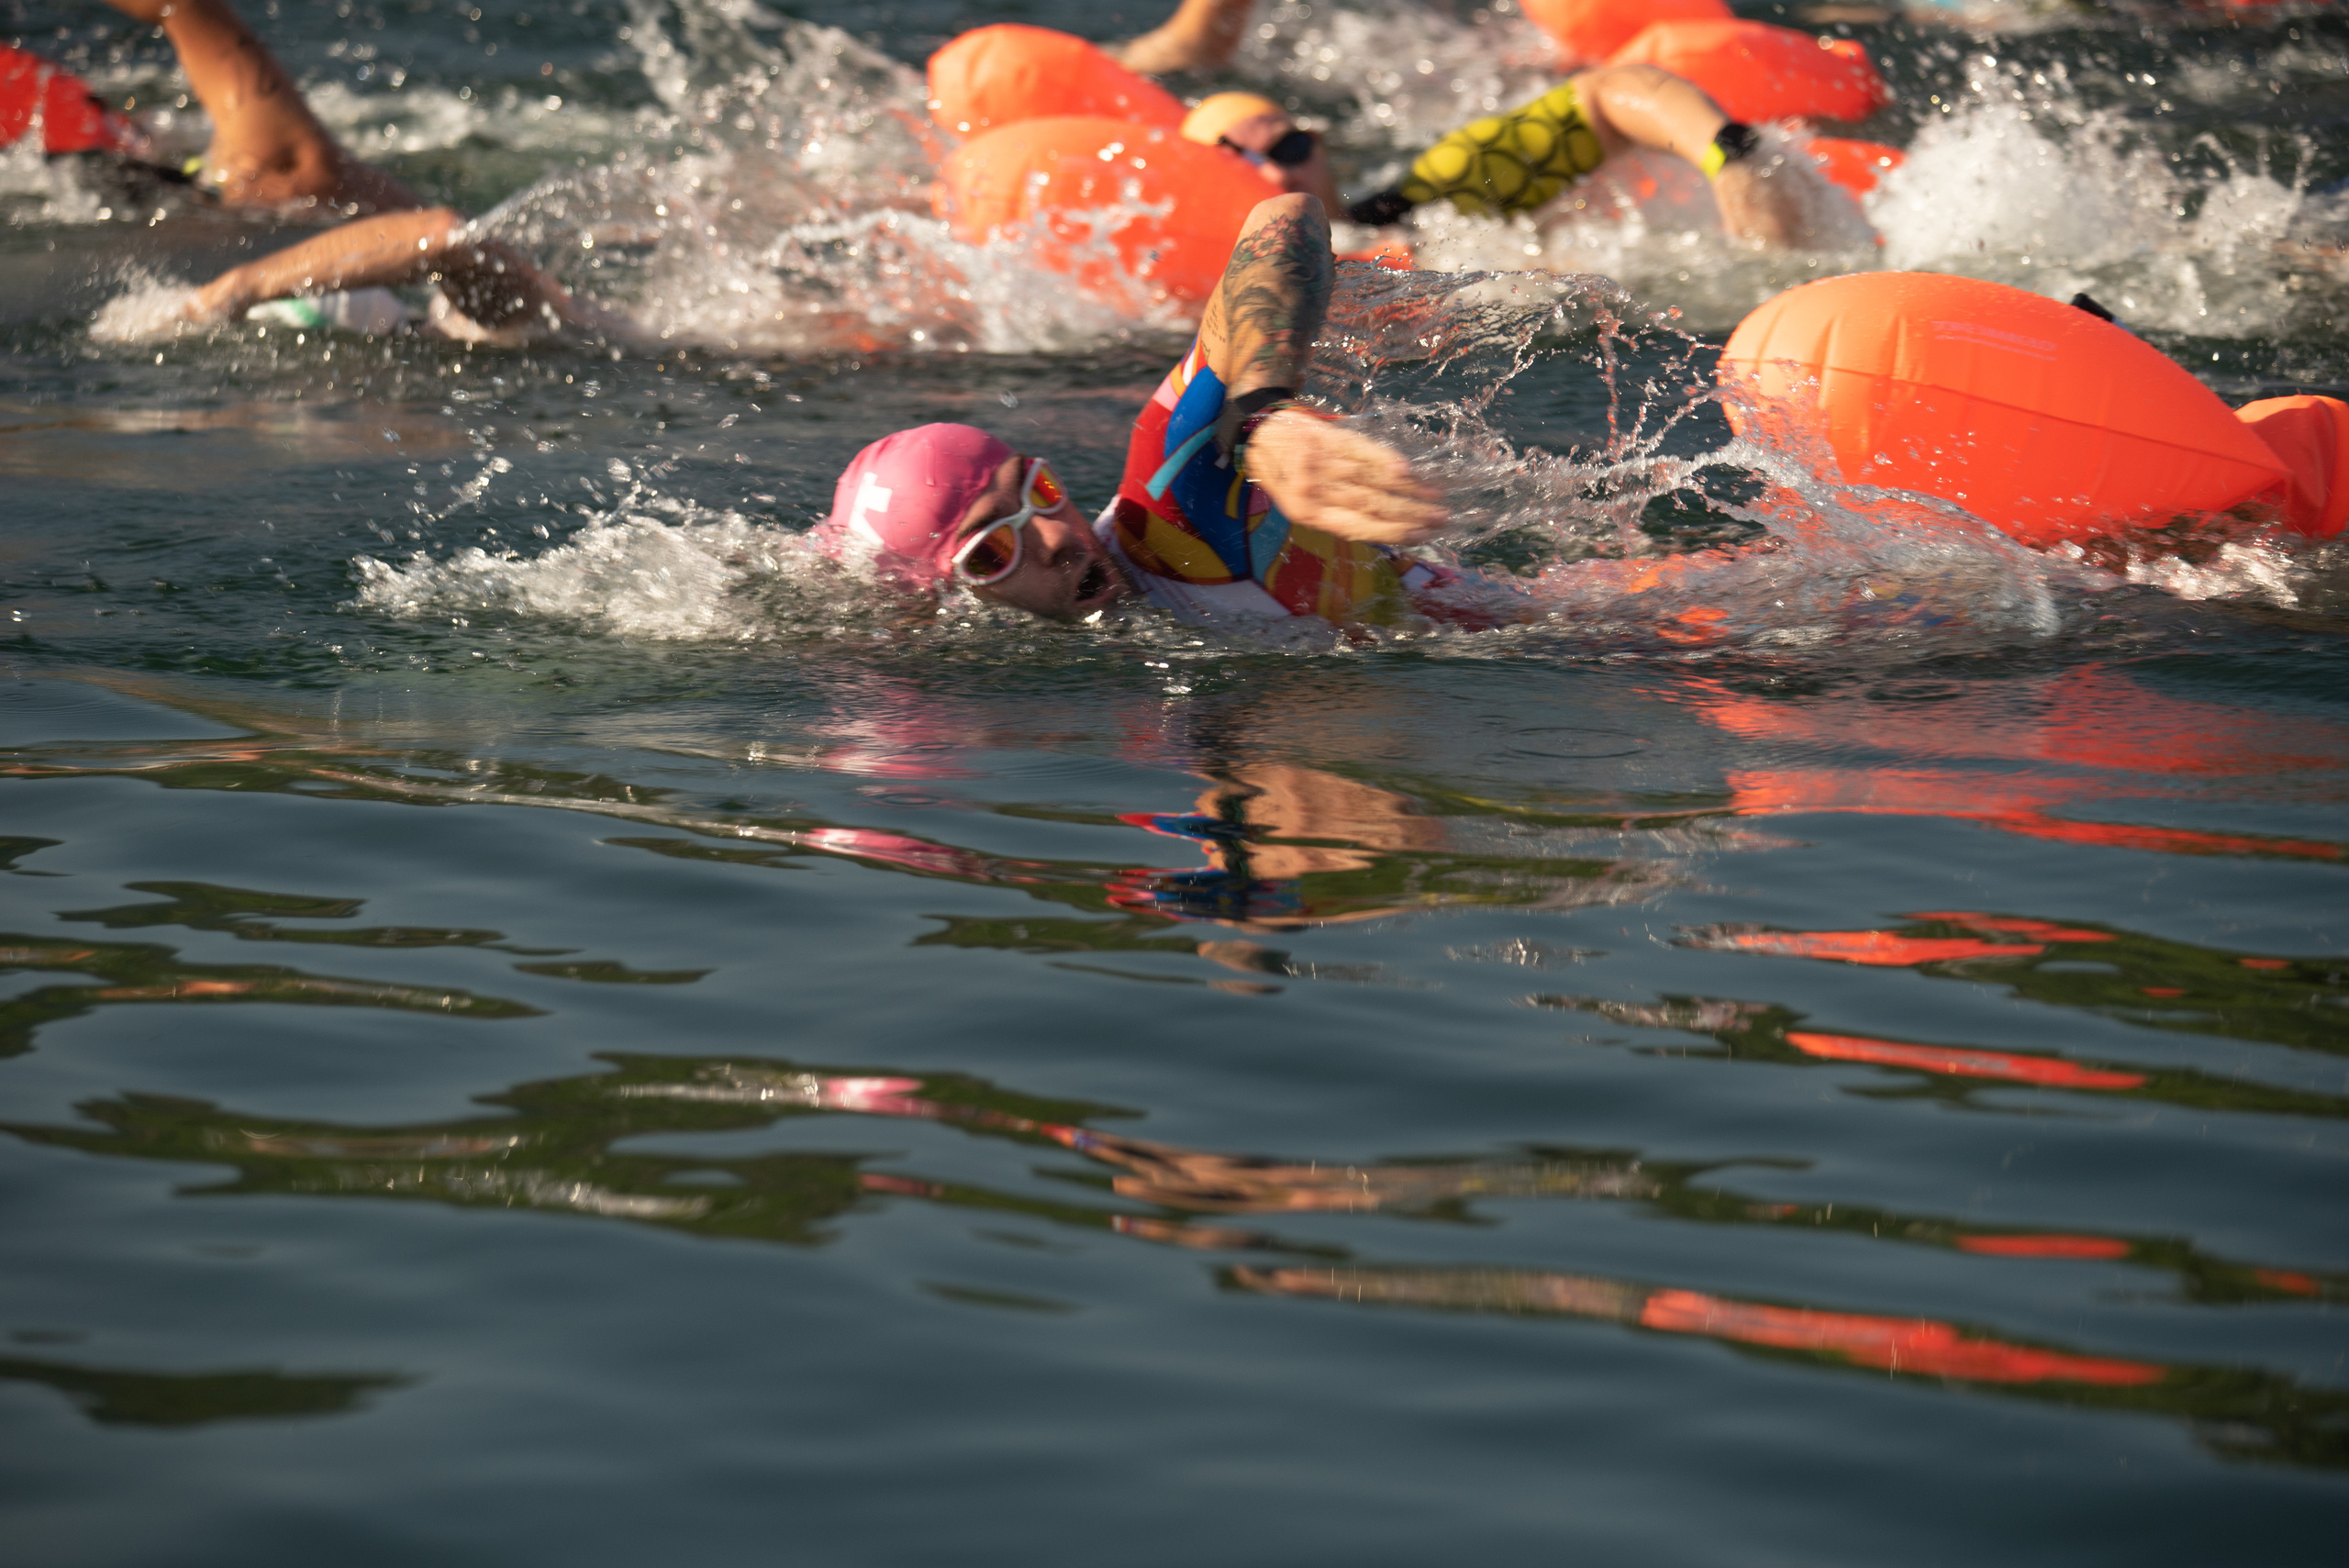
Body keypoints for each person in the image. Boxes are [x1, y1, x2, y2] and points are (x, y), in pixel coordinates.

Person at [812, 191, 1477, 630]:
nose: (1058, 537)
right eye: (993, 552)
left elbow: (1284, 220)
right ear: (939, 604)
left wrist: (1262, 416)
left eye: (1039, 492)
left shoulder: (1173, 513)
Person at [91, 0, 584, 341]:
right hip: (292, 185)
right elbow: (442, 235)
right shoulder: (523, 321)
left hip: (257, 193)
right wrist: (233, 293)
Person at [1345, 65, 1836, 249]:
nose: (1281, 170)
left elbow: (1603, 96)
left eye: (1291, 144)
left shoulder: (1438, 195)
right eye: (1263, 162)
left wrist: (1725, 151)